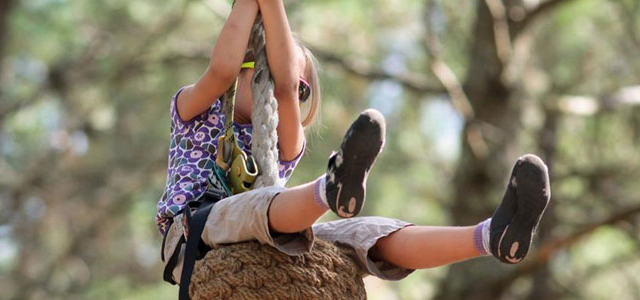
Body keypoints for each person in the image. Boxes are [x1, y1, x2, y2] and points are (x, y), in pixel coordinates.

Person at [156, 0, 552, 290]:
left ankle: (490, 236)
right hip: (195, 232)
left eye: (302, 89)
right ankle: (328, 190)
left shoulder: (282, 145)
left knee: (367, 234)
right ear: (244, 67)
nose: (287, 91)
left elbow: (284, 87)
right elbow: (222, 69)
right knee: (258, 206)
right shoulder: (195, 114)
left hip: (277, 229)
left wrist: (285, 78)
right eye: (261, 69)